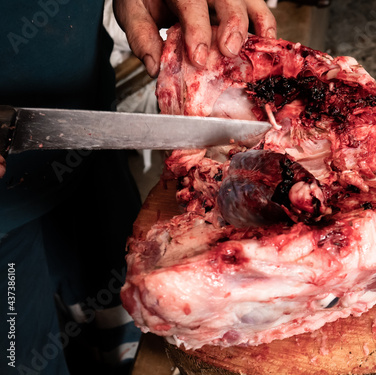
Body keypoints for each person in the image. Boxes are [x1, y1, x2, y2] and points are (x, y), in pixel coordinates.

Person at [0, 1, 276, 374]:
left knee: (111, 280)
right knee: (22, 344)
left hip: (84, 113)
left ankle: (114, 353)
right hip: (5, 214)